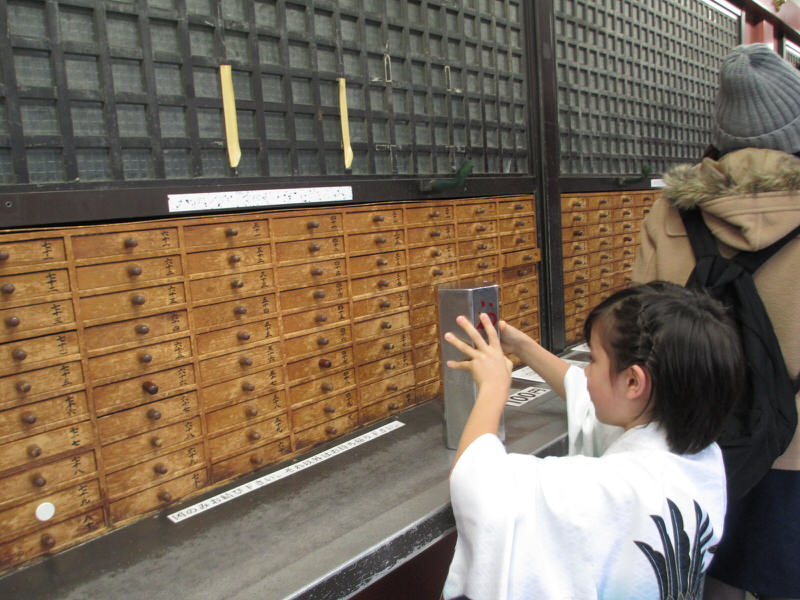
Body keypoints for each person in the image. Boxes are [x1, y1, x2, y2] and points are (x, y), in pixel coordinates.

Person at [441, 282, 745, 600]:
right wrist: (523, 346)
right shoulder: (700, 458)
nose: (585, 372)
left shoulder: (609, 491)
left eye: (593, 359)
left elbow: (480, 484)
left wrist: (493, 386)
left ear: (633, 381)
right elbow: (583, 392)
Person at [632, 43, 800, 600]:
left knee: (701, 581)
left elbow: (638, 323)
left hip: (695, 445)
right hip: (796, 452)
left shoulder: (671, 210)